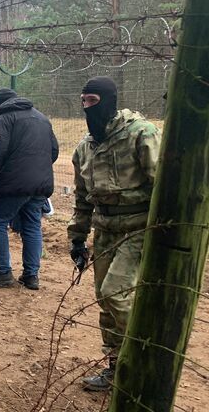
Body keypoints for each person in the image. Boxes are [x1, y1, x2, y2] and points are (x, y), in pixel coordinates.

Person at [68, 76, 161, 391]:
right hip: (105, 229)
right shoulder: (85, 147)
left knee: (116, 294)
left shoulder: (140, 134)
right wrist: (77, 238)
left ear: (108, 99)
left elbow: (162, 185)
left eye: (92, 101)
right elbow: (82, 198)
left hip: (138, 227)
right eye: (83, 102)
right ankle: (116, 367)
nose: (87, 108)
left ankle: (145, 365)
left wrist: (166, 231)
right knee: (105, 302)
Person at [0, 88, 59, 291]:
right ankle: (31, 276)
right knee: (32, 225)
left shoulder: (5, 118)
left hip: (15, 183)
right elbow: (54, 150)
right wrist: (38, 169)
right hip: (41, 184)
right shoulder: (42, 118)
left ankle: (2, 272)